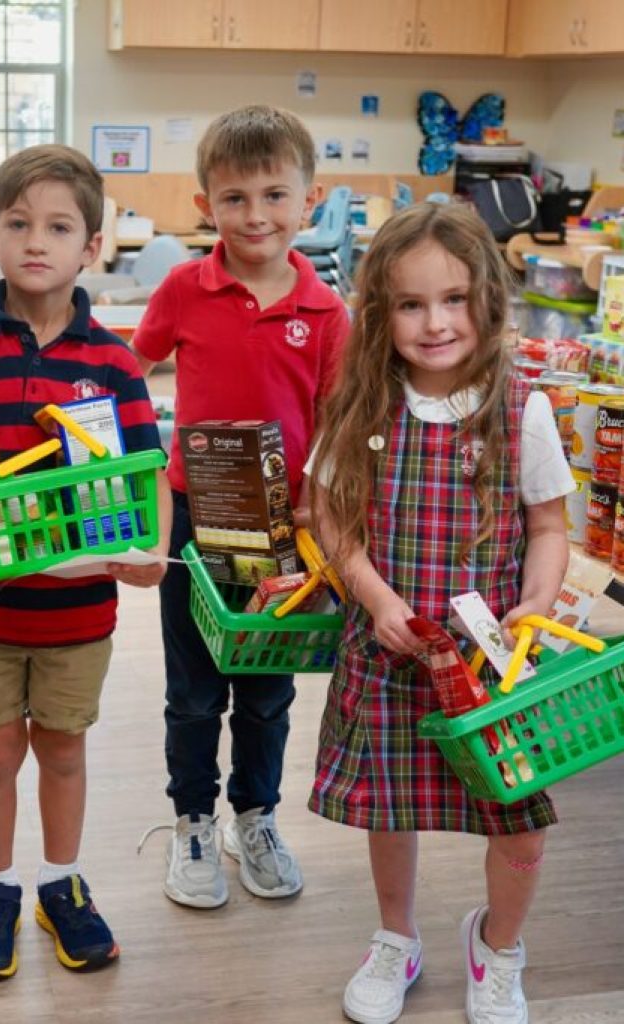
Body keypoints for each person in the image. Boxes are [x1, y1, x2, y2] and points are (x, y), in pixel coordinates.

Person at [306, 202, 572, 1024]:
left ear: (487, 301)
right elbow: (330, 518)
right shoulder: (362, 407)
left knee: (519, 821)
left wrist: (536, 601)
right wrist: (376, 598)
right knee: (392, 806)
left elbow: (550, 524)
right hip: (389, 654)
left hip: (495, 669)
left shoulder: (520, 404)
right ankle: (397, 938)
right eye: (410, 305)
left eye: (453, 300)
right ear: (380, 313)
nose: (434, 323)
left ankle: (499, 948)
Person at [0, 144, 170, 981]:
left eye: (59, 226)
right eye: (18, 224)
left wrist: (155, 548)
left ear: (91, 247)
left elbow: (147, 467)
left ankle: (61, 882)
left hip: (77, 611)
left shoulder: (112, 360)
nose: (37, 241)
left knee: (62, 749)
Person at [130, 105, 349, 908]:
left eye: (273, 195)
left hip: (284, 535)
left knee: (266, 691)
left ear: (309, 201)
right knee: (192, 689)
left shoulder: (329, 316)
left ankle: (252, 814)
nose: (255, 215)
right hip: (192, 521)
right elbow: (131, 369)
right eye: (234, 198)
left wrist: (321, 526)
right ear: (204, 207)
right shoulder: (186, 287)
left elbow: (335, 430)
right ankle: (192, 817)